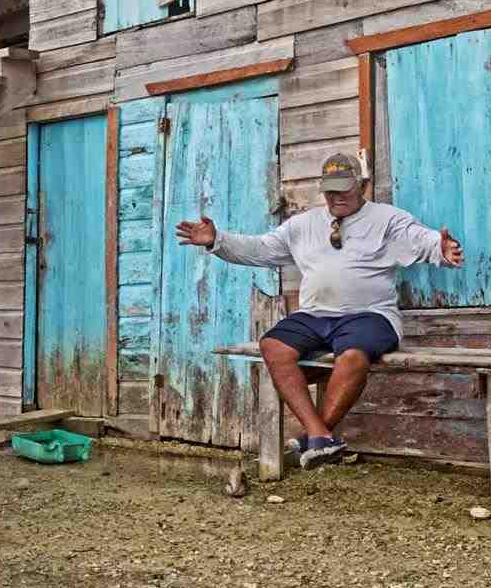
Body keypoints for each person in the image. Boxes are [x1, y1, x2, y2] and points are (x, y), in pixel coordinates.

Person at [175, 153, 464, 469]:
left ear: (362, 185)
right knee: (272, 345)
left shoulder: (387, 218)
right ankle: (320, 435)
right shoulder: (303, 225)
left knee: (353, 355)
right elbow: (261, 248)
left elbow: (419, 238)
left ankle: (312, 437)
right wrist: (217, 239)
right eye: (330, 190)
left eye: (344, 188)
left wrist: (441, 247)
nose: (336, 196)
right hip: (315, 315)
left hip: (369, 314)